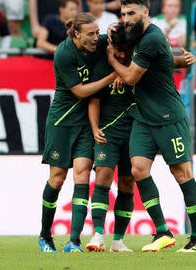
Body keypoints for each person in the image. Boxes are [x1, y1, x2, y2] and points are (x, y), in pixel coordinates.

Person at [107, 0, 196, 252]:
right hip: (143, 116)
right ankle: (162, 231)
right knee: (138, 169)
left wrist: (112, 62)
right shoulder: (139, 36)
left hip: (167, 116)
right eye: (123, 14)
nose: (126, 19)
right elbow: (161, 61)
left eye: (131, 13)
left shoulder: (151, 37)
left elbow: (130, 77)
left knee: (182, 173)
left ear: (145, 12)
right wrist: (180, 61)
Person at [38, 12, 119, 253]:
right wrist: (114, 76)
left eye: (97, 32)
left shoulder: (101, 41)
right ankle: (45, 234)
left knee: (82, 175)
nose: (97, 38)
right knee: (57, 179)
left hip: (86, 123)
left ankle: (74, 241)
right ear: (76, 34)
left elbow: (120, 35)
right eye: (91, 34)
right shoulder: (63, 53)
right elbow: (81, 92)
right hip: (62, 121)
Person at [85, 22, 136, 253]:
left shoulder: (138, 65)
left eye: (125, 49)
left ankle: (118, 240)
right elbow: (94, 100)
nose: (122, 54)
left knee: (127, 183)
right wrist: (95, 127)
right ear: (110, 46)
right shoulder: (101, 66)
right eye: (118, 49)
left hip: (134, 131)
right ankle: (97, 234)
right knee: (103, 175)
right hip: (109, 131)